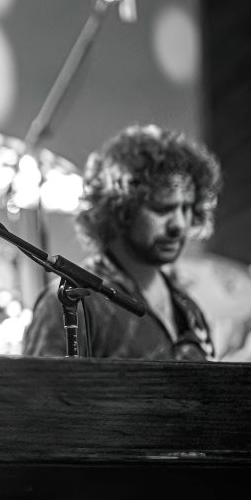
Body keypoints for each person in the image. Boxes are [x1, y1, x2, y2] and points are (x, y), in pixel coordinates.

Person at [22, 124, 221, 360]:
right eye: (161, 208)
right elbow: (40, 384)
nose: (178, 224)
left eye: (186, 208)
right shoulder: (70, 302)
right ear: (119, 209)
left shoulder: (187, 308)